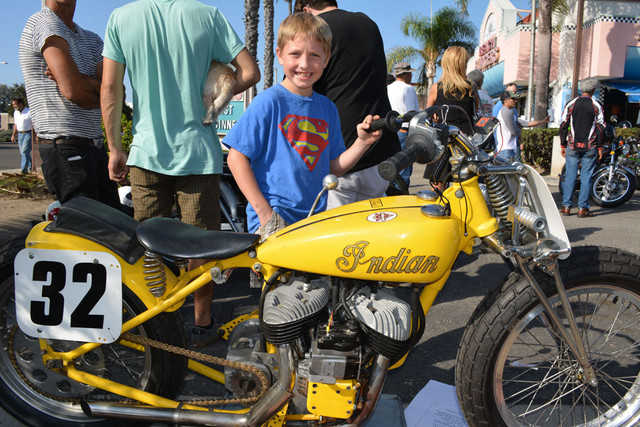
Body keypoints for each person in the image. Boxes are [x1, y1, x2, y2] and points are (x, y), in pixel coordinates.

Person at [101, 0, 260, 347]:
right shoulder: (207, 15)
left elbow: (112, 88)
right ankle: (202, 324)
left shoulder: (122, 18)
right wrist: (214, 94)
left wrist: (115, 147)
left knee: (149, 246)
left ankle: (157, 322)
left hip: (146, 152)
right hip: (198, 153)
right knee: (200, 246)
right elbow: (251, 72)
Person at [224, 12, 381, 238]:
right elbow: (236, 157)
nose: (305, 64)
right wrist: (265, 213)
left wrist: (362, 143)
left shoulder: (328, 108)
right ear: (279, 55)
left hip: (314, 219)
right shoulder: (268, 102)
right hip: (273, 218)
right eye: (295, 54)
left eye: (315, 55)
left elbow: (333, 167)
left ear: (326, 59)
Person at [18, 0, 120, 209]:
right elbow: (75, 92)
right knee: (88, 230)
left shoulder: (92, 39)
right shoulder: (44, 22)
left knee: (114, 226)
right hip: (65, 146)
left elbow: (117, 93)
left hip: (95, 146)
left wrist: (85, 80)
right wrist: (98, 87)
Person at [299, 0, 401, 207]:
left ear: (306, 10)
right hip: (379, 146)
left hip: (339, 154)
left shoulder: (316, 30)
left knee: (337, 233)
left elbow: (298, 90)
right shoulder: (368, 23)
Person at [559, 78, 605, 218]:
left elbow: (563, 125)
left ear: (581, 89)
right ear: (593, 90)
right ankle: (582, 208)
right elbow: (601, 128)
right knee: (586, 177)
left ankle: (566, 206)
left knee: (570, 176)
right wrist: (600, 147)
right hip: (590, 146)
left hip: (572, 145)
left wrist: (562, 144)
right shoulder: (596, 104)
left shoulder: (571, 104)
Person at [388, 62, 420, 187]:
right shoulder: (408, 89)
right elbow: (411, 113)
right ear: (407, 75)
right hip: (403, 131)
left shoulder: (388, 88)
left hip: (389, 130)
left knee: (391, 168)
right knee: (404, 169)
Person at [494, 91, 549, 162]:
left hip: (508, 149)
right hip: (505, 149)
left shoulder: (510, 113)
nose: (515, 101)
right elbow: (514, 131)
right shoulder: (506, 112)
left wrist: (542, 121)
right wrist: (520, 132)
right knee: (507, 172)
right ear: (506, 100)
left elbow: (525, 123)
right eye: (513, 99)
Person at [10, 97, 33, 174]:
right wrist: (13, 135)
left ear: (21, 104)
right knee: (23, 153)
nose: (14, 106)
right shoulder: (16, 113)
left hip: (28, 133)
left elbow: (34, 124)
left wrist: (36, 135)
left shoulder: (29, 112)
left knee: (24, 151)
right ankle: (31, 167)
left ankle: (23, 170)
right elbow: (16, 125)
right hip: (20, 134)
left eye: (15, 104)